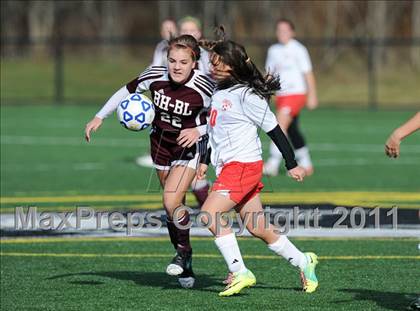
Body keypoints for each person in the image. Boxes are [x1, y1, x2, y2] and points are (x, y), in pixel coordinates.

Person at [84, 35, 215, 289]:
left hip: (188, 148)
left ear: (194, 63)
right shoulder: (155, 75)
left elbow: (222, 117)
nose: (176, 67)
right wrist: (100, 116)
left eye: (183, 62)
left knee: (170, 199)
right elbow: (126, 90)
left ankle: (182, 252)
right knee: (172, 207)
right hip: (159, 145)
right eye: (172, 61)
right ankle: (185, 259)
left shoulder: (205, 87)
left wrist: (199, 132)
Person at [196, 37, 319, 297]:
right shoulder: (219, 92)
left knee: (208, 214)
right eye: (212, 63)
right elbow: (212, 131)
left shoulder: (247, 95)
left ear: (232, 66)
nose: (212, 68)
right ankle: (303, 261)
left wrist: (291, 163)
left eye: (218, 64)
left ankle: (239, 270)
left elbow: (275, 130)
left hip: (243, 167)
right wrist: (204, 161)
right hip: (230, 167)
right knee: (257, 227)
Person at [136, 17, 210, 208]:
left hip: (198, 125)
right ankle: (192, 216)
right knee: (184, 186)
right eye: (184, 30)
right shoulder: (168, 52)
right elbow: (155, 73)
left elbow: (213, 93)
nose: (188, 33)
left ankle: (211, 212)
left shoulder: (207, 57)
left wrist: (202, 127)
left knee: (196, 178)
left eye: (192, 30)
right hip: (172, 126)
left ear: (199, 33)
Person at [263, 18, 318, 177]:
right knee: (292, 129)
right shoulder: (273, 50)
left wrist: (312, 94)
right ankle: (306, 163)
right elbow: (269, 74)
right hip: (281, 96)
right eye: (279, 30)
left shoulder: (299, 49)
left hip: (296, 94)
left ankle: (273, 163)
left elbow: (307, 73)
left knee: (279, 124)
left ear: (292, 32)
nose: (282, 33)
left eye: (285, 30)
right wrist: (265, 92)